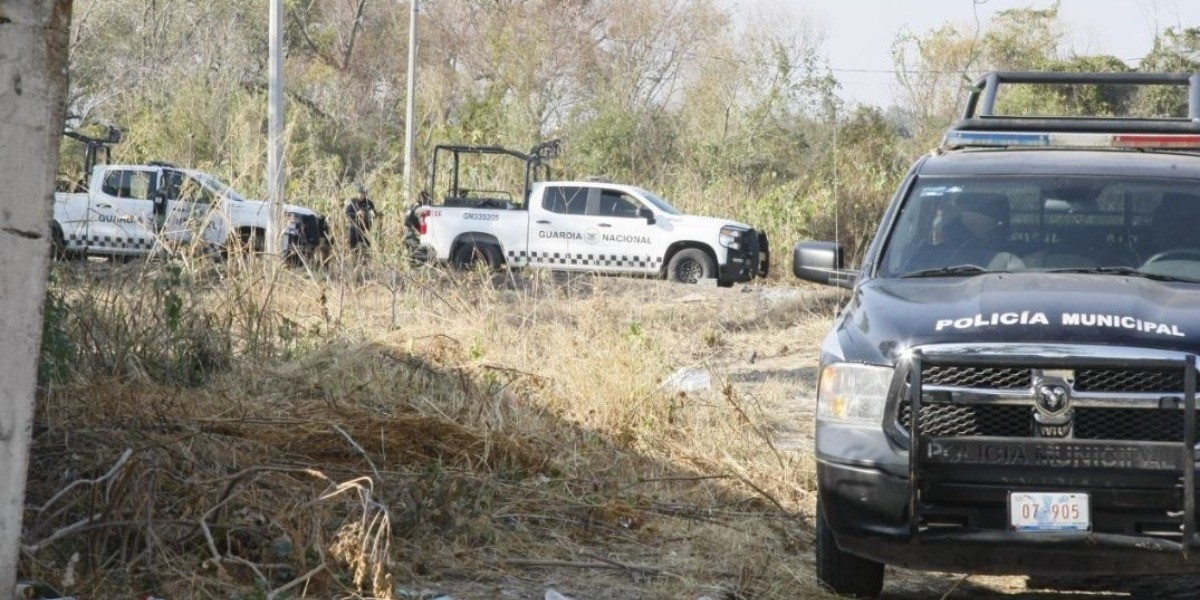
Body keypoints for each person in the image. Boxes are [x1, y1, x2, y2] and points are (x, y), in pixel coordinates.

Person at [345, 184, 378, 250]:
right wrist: (357, 214)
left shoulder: (369, 203)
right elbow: (348, 214)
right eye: (361, 194)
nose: (363, 196)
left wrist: (372, 213)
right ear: (357, 193)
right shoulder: (352, 202)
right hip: (354, 227)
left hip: (366, 228)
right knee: (354, 248)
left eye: (364, 194)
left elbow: (374, 214)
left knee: (366, 247)